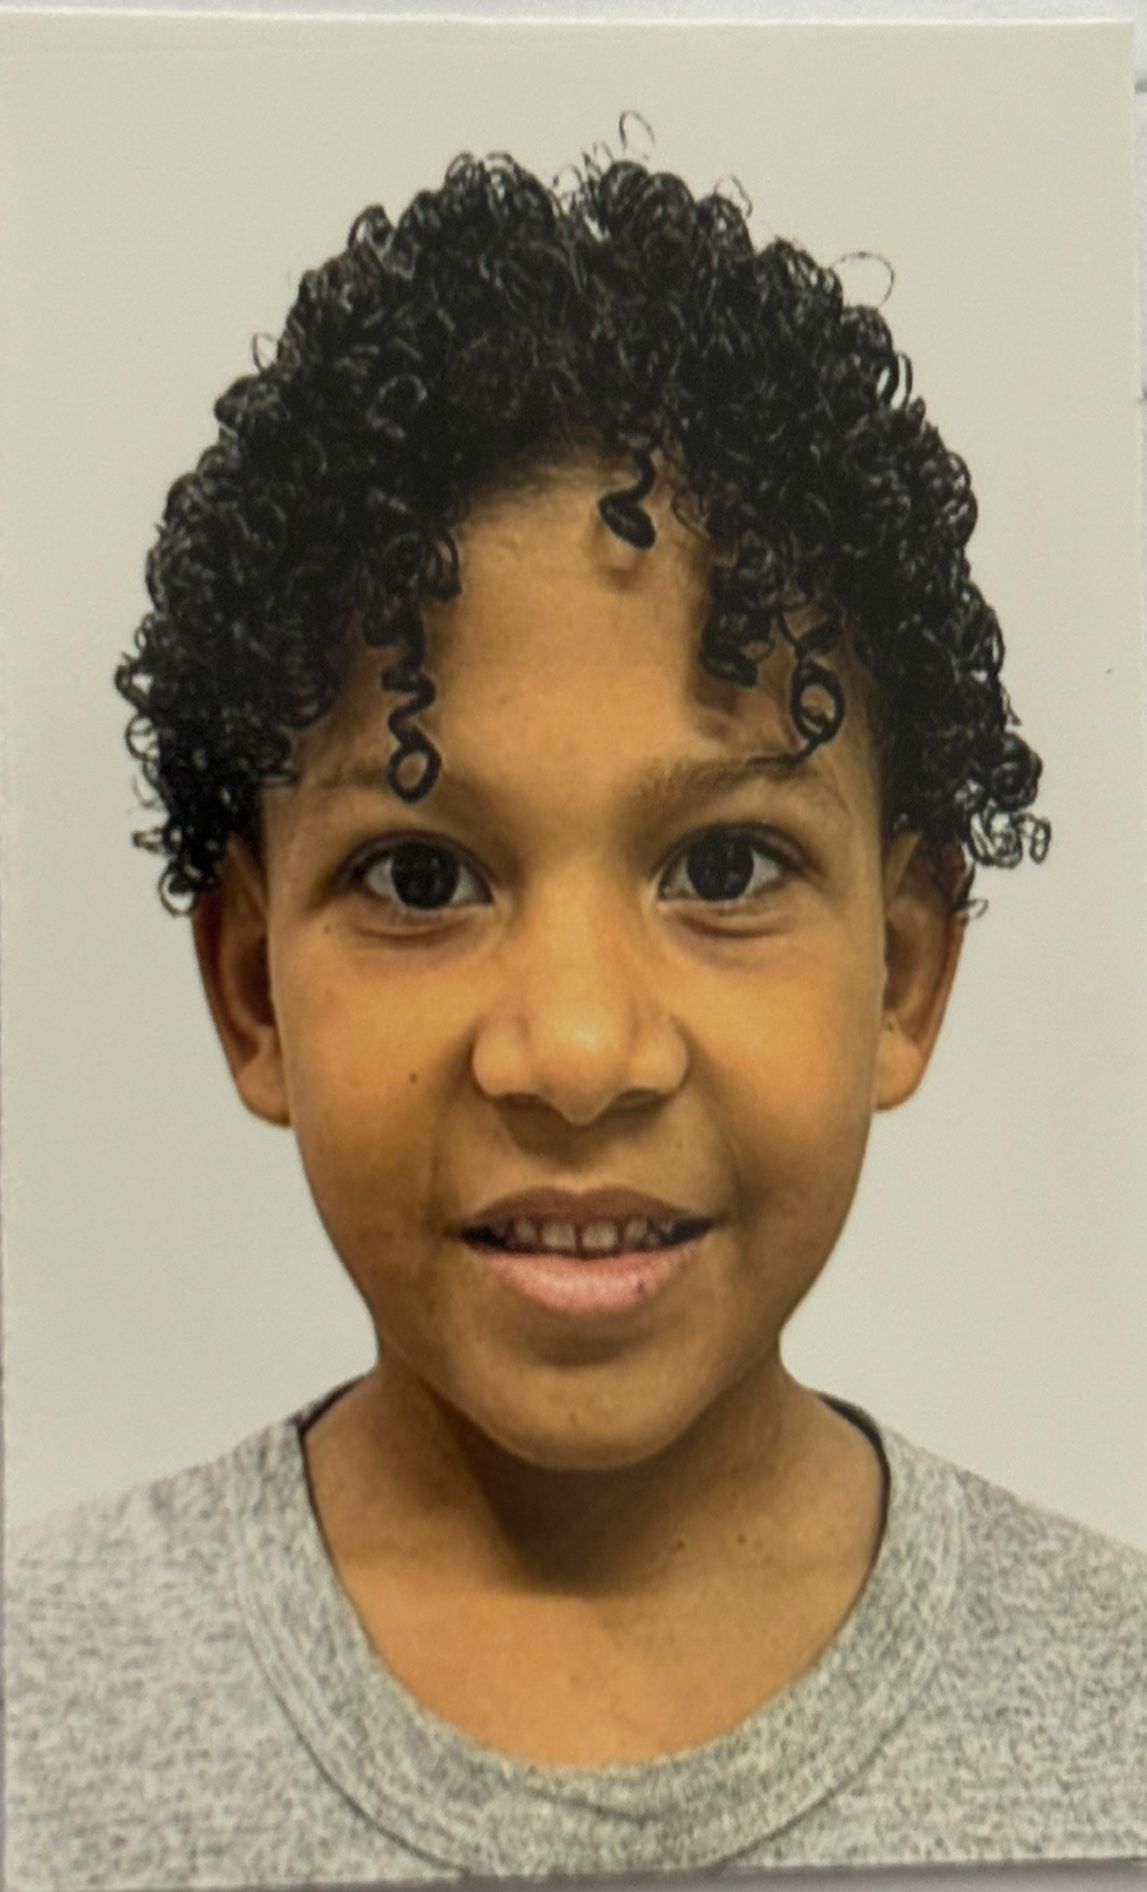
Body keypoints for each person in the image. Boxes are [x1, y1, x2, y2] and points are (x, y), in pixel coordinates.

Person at [7, 149, 1145, 1891]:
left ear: (904, 972)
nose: (578, 1052)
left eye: (725, 865)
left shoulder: (1114, 1729)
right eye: (420, 879)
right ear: (251, 990)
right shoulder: (42, 1730)